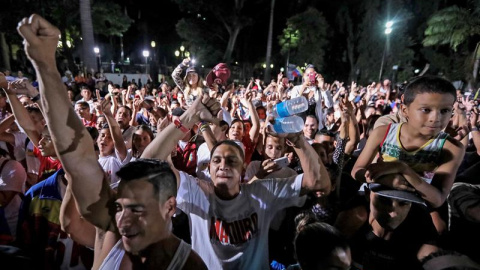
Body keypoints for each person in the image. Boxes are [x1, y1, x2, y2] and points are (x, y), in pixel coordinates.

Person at [17, 14, 206, 269]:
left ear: (169, 207)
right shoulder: (111, 229)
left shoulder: (188, 265)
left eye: (138, 210)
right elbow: (79, 154)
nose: (124, 220)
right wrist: (45, 66)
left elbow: (150, 158)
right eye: (120, 207)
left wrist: (189, 116)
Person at [141, 87, 331, 269]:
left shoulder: (262, 192)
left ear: (243, 168)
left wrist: (298, 140)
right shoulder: (195, 191)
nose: (223, 164)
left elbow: (318, 182)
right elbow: (148, 163)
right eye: (216, 160)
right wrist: (190, 115)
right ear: (210, 167)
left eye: (231, 160)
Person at [352, 76, 465, 209]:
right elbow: (357, 171)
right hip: (379, 195)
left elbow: (437, 199)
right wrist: (387, 180)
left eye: (444, 111)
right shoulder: (383, 133)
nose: (436, 118)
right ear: (405, 110)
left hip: (418, 204)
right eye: (426, 110)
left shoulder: (451, 147)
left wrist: (403, 169)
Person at [349, 183, 440, 270]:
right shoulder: (354, 214)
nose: (393, 213)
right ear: (367, 193)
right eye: (384, 200)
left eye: (403, 203)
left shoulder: (419, 222)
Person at [290, 65, 333, 129]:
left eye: (312, 75)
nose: (310, 77)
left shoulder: (319, 89)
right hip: (300, 127)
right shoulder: (297, 89)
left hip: (316, 128)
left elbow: (329, 105)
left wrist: (323, 88)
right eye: (308, 75)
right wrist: (303, 89)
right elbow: (293, 107)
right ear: (303, 76)